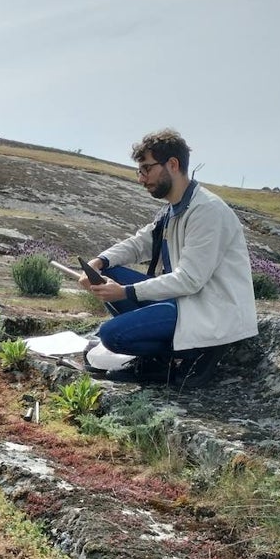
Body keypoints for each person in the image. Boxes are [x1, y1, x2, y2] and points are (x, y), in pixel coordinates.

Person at [81, 128, 257, 387]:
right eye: (139, 171)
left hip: (209, 309)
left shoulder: (207, 211)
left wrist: (126, 292)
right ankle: (158, 361)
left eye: (146, 169)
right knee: (108, 276)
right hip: (184, 302)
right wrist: (100, 262)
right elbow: (140, 243)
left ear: (172, 164)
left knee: (112, 335)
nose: (141, 179)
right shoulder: (173, 210)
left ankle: (195, 353)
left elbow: (190, 280)